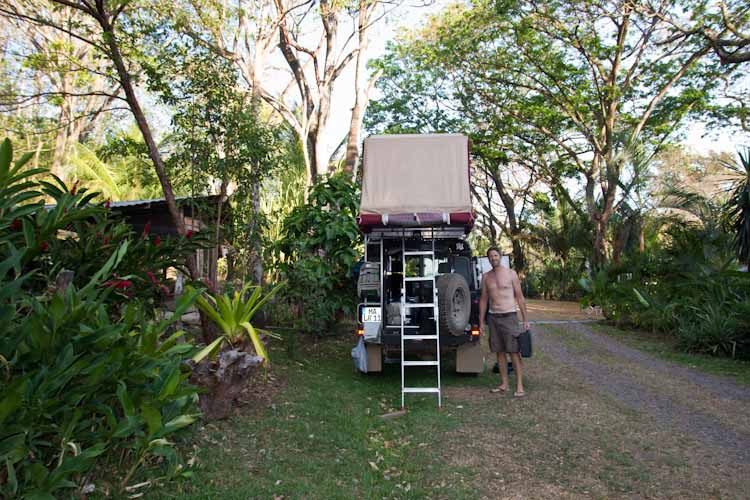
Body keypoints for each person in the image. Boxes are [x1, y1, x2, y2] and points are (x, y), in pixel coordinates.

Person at [479, 247, 530, 397]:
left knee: (514, 351)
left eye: (495, 255)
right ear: (488, 259)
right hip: (493, 318)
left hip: (510, 316)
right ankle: (504, 384)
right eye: (490, 256)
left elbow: (519, 297)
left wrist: (525, 319)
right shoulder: (486, 277)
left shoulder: (511, 274)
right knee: (499, 352)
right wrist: (481, 322)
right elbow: (483, 300)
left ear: (500, 256)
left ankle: (519, 385)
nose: (493, 258)